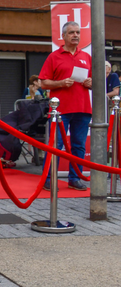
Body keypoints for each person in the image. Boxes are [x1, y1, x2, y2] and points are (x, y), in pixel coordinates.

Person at [39, 21, 92, 191]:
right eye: (71, 33)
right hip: (60, 109)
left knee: (78, 145)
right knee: (56, 144)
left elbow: (94, 82)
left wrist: (91, 83)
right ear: (63, 36)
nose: (75, 35)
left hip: (83, 108)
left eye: (77, 32)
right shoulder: (54, 57)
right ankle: (48, 178)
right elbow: (44, 83)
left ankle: (74, 178)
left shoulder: (86, 57)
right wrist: (61, 83)